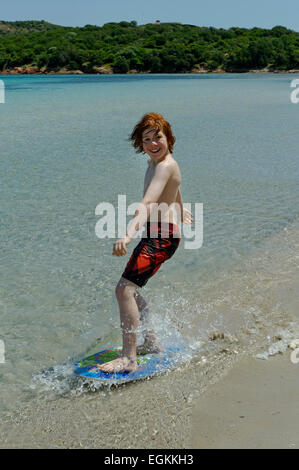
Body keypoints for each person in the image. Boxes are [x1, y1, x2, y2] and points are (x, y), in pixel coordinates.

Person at [97, 112, 192, 373]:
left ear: (168, 138)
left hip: (162, 238)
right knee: (131, 289)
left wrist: (127, 234)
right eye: (147, 139)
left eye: (157, 137)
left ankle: (129, 359)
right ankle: (152, 343)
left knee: (124, 290)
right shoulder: (156, 164)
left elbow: (149, 202)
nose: (153, 144)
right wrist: (181, 208)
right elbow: (176, 186)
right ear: (141, 144)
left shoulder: (165, 165)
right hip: (155, 234)